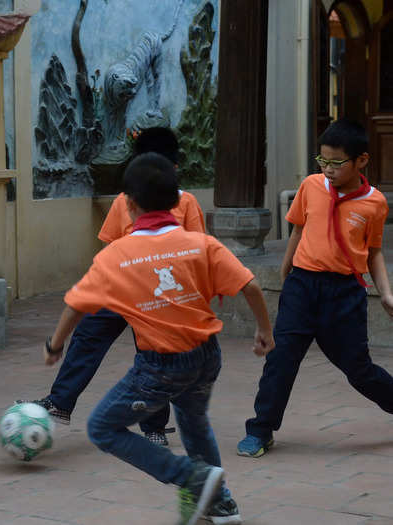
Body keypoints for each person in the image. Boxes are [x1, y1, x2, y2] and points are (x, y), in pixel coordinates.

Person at [44, 152, 274, 525]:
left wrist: (55, 346)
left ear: (129, 204)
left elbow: (74, 305)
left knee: (102, 427)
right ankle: (221, 503)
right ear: (177, 201)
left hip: (161, 365)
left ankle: (190, 477)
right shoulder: (201, 244)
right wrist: (264, 330)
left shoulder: (116, 256)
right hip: (205, 357)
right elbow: (250, 285)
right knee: (195, 423)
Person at [20, 128, 204, 447]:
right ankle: (61, 402)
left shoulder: (186, 203)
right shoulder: (125, 202)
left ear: (173, 168)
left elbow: (196, 253)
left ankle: (154, 427)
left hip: (160, 296)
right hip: (120, 289)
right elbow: (108, 248)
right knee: (89, 336)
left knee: (153, 357)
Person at [238, 118, 393, 458]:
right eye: (322, 161)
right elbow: (297, 230)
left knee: (358, 368)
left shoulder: (374, 203)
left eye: (337, 163)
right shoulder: (311, 186)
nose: (328, 169)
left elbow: (374, 251)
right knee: (281, 358)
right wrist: (286, 267)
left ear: (361, 161)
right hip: (303, 285)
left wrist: (385, 291)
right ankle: (261, 429)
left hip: (344, 294)